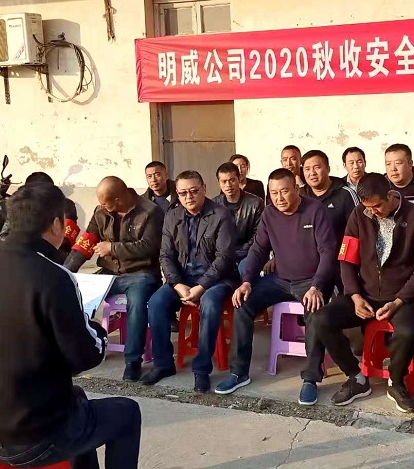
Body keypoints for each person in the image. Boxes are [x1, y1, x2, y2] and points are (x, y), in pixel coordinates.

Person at [0, 184, 141, 469]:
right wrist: (97, 329)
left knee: (78, 400)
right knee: (127, 413)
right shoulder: (54, 277)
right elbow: (86, 357)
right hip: (34, 439)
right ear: (56, 225)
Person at [214, 168, 338, 406]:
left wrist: (317, 285)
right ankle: (239, 372)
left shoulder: (315, 210)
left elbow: (328, 252)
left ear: (296, 189)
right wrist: (247, 281)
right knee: (243, 303)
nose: (279, 198)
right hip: (280, 279)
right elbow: (258, 249)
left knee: (314, 311)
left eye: (284, 191)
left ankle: (311, 378)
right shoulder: (269, 214)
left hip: (310, 281)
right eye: (273, 193)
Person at [312, 174, 414, 410]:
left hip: (401, 297)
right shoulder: (360, 214)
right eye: (368, 207)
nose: (373, 212)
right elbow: (346, 260)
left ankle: (395, 381)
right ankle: (356, 377)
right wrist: (355, 296)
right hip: (364, 295)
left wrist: (399, 301)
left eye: (377, 206)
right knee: (321, 319)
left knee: (408, 331)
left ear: (390, 195)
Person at [142, 170, 239, 393]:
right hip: (182, 279)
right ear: (177, 194)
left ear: (204, 188)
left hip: (217, 279)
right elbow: (165, 256)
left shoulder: (221, 215)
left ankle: (201, 369)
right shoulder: (172, 216)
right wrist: (177, 284)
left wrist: (201, 286)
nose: (189, 197)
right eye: (183, 193)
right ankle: (163, 364)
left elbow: (224, 258)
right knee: (156, 302)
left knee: (210, 303)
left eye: (194, 191)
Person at [65, 176, 164, 382]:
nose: (102, 207)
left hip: (141, 273)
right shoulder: (101, 212)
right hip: (109, 272)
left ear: (118, 200)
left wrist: (113, 248)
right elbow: (86, 241)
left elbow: (150, 247)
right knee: (74, 294)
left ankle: (133, 361)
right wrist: (65, 272)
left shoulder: (150, 212)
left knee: (136, 305)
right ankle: (77, 353)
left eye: (105, 203)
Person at [0, 171, 80, 263]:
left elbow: (66, 242)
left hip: (53, 259)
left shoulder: (65, 206)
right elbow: (2, 238)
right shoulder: (20, 206)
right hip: (19, 257)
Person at [301, 149, 359, 244]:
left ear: (328, 169)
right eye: (307, 169)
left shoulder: (346, 194)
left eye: (317, 167)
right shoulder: (300, 195)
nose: (312, 173)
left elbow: (358, 230)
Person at [213, 162, 264, 263]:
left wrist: (237, 254)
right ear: (219, 183)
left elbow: (258, 235)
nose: (228, 185)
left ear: (239, 179)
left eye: (232, 180)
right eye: (224, 181)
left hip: (248, 254)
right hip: (221, 256)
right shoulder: (213, 205)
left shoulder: (256, 203)